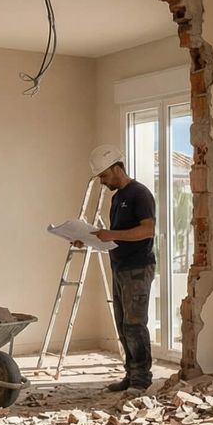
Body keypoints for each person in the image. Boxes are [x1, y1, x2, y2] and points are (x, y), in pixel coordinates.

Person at [79, 144, 156, 393]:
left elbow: (147, 230)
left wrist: (110, 233)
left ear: (116, 168)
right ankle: (130, 375)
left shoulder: (139, 194)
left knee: (135, 325)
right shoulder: (117, 198)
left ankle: (141, 379)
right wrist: (90, 238)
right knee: (123, 324)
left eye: (104, 175)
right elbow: (117, 237)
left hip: (137, 268)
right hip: (120, 267)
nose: (102, 181)